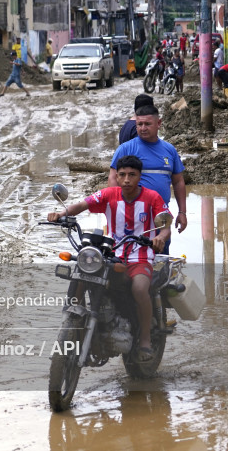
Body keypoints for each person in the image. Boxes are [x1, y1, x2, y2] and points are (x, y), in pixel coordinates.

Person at [47, 155, 171, 363]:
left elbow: (165, 224)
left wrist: (160, 237)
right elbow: (82, 204)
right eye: (122, 175)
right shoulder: (109, 194)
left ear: (140, 176)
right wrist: (61, 214)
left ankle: (145, 339)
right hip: (113, 255)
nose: (126, 179)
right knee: (81, 272)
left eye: (132, 175)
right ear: (116, 176)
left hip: (140, 257)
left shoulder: (152, 197)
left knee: (140, 288)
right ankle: (71, 324)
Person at [109, 104, 186, 253]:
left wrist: (182, 213)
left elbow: (178, 182)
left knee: (160, 261)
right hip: (132, 218)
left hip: (160, 218)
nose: (143, 128)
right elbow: (113, 178)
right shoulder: (126, 149)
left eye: (147, 124)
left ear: (159, 124)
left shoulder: (169, 150)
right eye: (139, 124)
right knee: (128, 261)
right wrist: (117, 209)